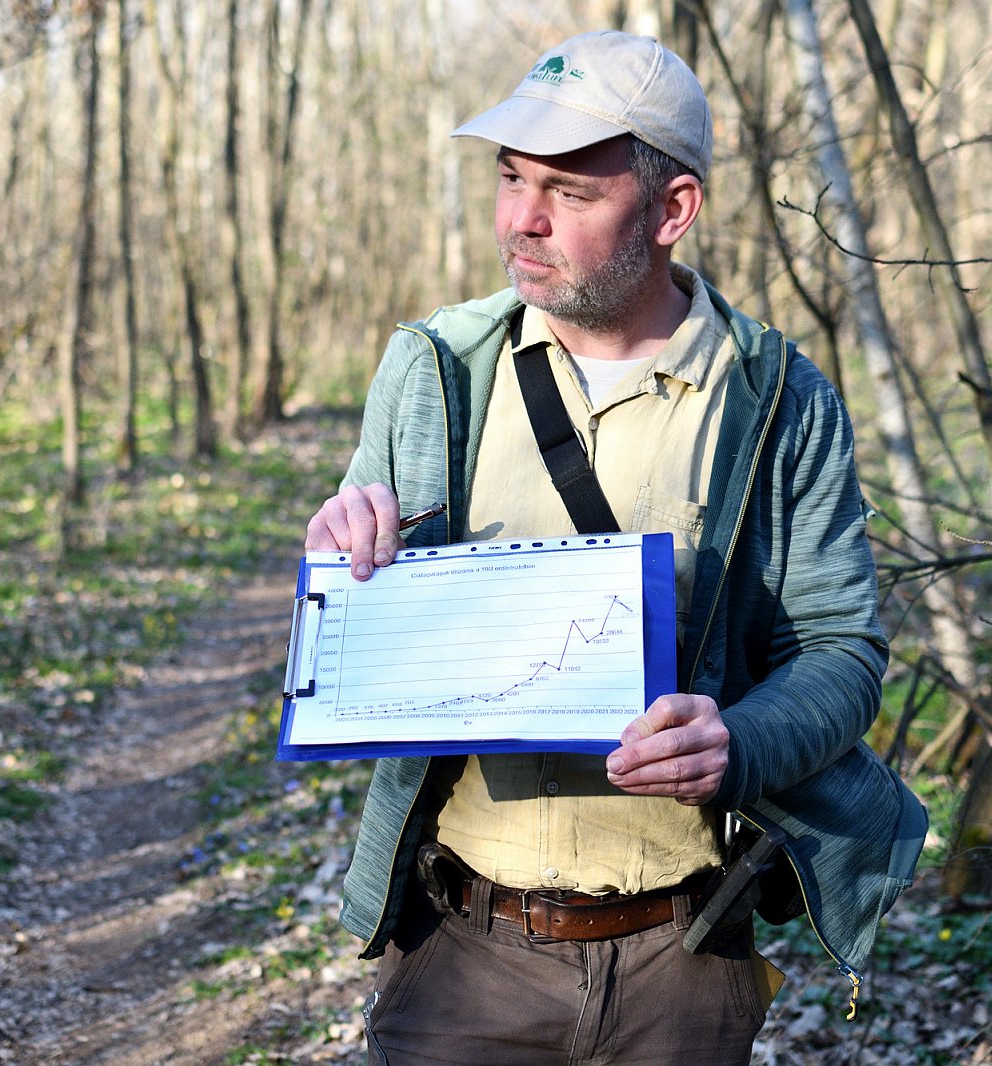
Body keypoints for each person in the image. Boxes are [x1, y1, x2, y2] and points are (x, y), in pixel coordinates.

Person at [304, 30, 926, 1065]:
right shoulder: (433, 372)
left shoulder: (776, 401)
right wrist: (343, 561)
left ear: (672, 208)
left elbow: (843, 651)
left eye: (569, 192)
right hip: (460, 951)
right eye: (508, 177)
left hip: (678, 962)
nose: (520, 219)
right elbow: (363, 634)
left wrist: (737, 739)